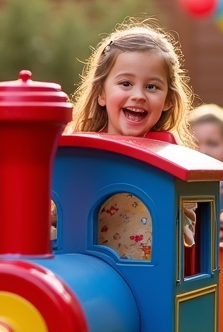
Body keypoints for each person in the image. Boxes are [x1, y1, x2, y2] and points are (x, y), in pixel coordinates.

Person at [71, 20, 196, 257]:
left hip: (151, 271)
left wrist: (185, 214)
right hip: (92, 263)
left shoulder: (167, 151)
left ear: (168, 100)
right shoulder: (82, 151)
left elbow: (189, 217)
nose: (138, 95)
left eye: (151, 86)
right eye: (126, 83)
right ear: (101, 93)